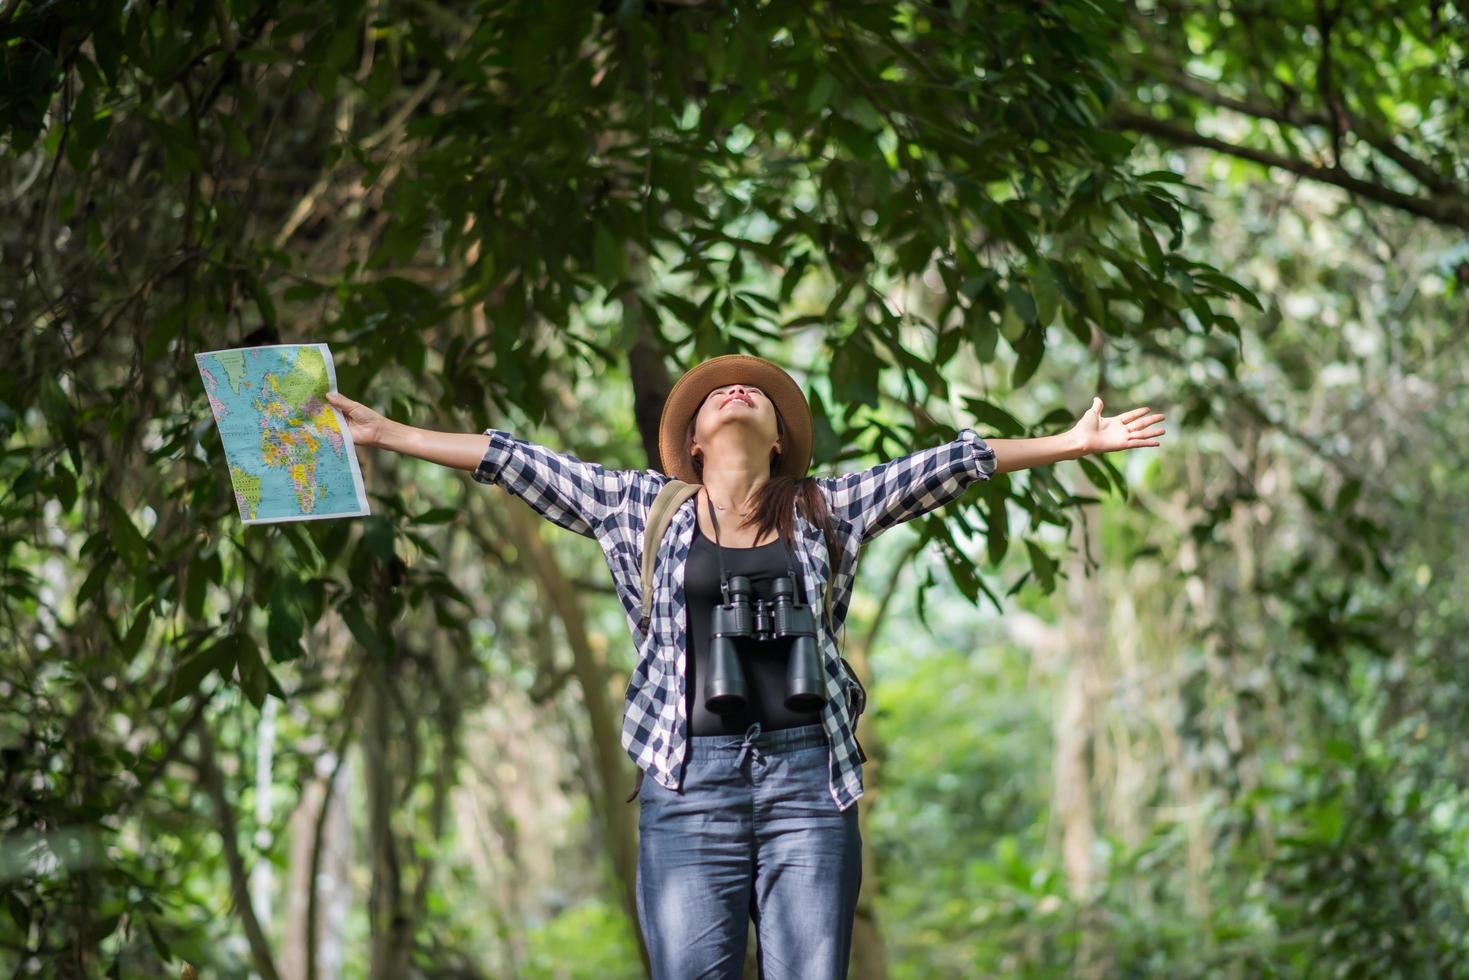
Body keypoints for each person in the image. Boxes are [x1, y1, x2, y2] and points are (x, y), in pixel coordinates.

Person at [326, 354, 1164, 979]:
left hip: (808, 784)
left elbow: (945, 467)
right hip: (689, 785)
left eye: (755, 392)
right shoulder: (635, 509)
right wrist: (385, 432)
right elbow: (511, 460)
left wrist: (1068, 442)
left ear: (778, 439)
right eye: (716, 395)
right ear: (691, 441)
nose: (736, 392)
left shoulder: (824, 507)